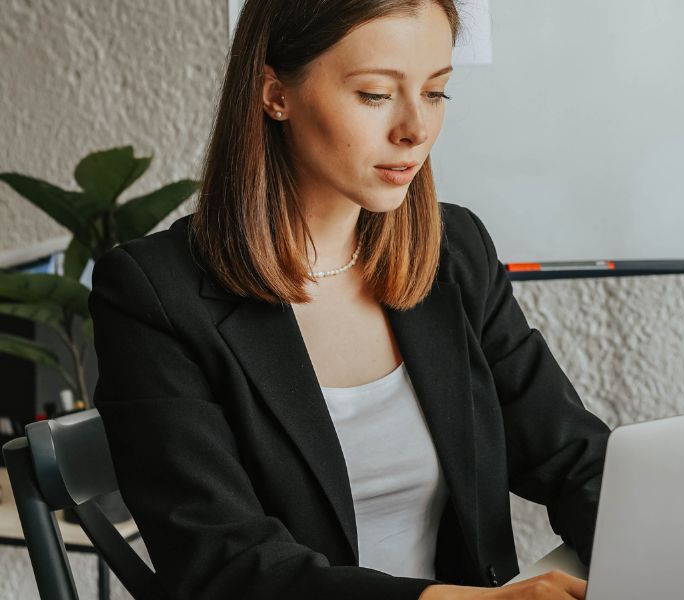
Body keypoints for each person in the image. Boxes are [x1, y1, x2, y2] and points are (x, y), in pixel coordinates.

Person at [89, 1, 611, 598]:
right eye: (374, 94)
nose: (416, 127)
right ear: (274, 92)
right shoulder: (153, 294)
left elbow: (574, 457)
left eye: (436, 92)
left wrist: (661, 551)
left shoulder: (455, 249)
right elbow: (222, 565)